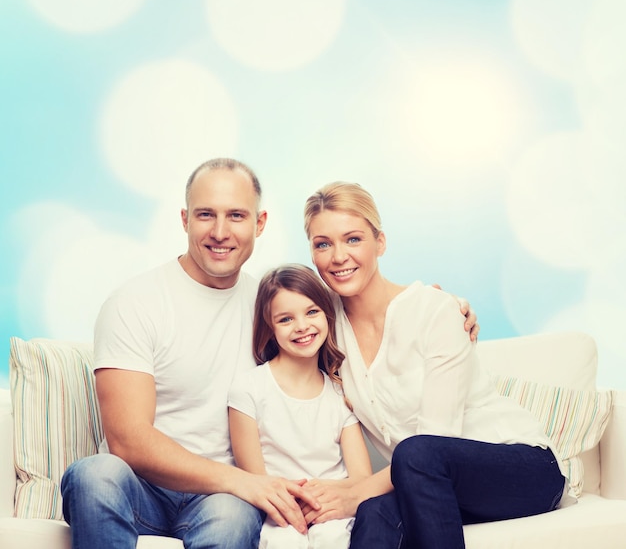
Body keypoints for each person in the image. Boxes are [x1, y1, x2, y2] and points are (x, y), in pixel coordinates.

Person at [59, 158, 478, 549]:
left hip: (225, 498)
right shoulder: (135, 302)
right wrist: (247, 483)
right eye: (206, 214)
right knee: (94, 474)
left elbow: (345, 310)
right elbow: (127, 440)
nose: (220, 232)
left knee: (229, 519)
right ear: (185, 220)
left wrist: (440, 307)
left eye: (236, 215)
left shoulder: (271, 305)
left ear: (259, 224)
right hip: (149, 486)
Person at [299, 181, 567, 549]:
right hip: (428, 484)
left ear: (380, 242)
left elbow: (437, 438)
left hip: (522, 469)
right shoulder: (324, 328)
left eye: (353, 239)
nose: (338, 256)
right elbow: (274, 305)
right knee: (374, 515)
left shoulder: (434, 312)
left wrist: (354, 493)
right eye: (323, 244)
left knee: (416, 451)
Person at [228, 264, 372, 549]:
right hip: (277, 512)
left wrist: (322, 496)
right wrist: (296, 499)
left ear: (327, 315)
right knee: (284, 542)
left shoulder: (340, 391)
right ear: (269, 328)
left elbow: (361, 479)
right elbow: (255, 479)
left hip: (333, 510)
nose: (302, 326)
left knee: (333, 538)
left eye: (312, 312)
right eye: (285, 319)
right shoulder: (248, 389)